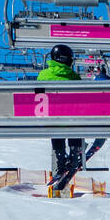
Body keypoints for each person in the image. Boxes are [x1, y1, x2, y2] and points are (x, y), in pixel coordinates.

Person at [38, 44, 83, 177]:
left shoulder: (43, 75)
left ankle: (60, 159)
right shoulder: (73, 76)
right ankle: (75, 153)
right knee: (75, 121)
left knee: (55, 125)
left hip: (52, 120)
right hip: (71, 120)